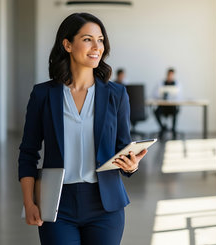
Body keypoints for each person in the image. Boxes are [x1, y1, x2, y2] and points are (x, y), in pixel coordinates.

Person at [18, 13, 148, 245]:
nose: (97, 46)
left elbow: (123, 147)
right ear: (67, 44)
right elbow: (28, 152)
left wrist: (132, 165)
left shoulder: (116, 95)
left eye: (100, 40)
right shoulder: (43, 95)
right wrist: (29, 203)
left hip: (105, 205)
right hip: (57, 205)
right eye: (88, 39)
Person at [154, 68, 181, 139]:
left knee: (175, 112)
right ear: (167, 75)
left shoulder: (177, 84)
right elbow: (155, 94)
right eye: (169, 75)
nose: (170, 76)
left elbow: (179, 96)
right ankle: (163, 128)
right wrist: (161, 95)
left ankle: (173, 130)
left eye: (172, 75)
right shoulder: (161, 83)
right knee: (156, 112)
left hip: (172, 107)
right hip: (163, 106)